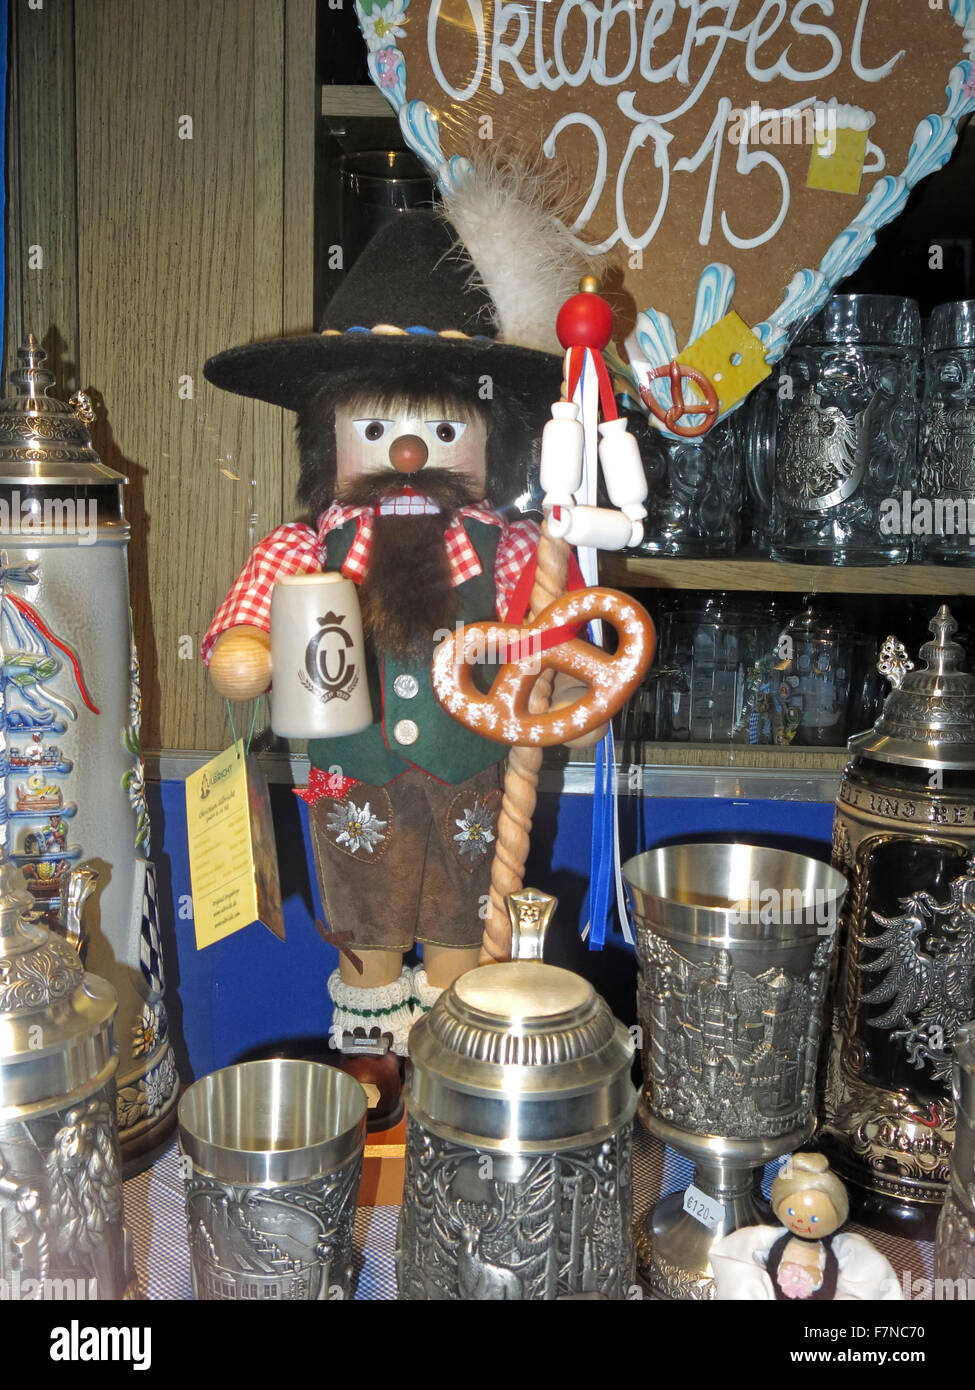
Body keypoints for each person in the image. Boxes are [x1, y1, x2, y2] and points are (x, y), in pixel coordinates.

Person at [202, 207, 590, 1122]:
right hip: (351, 780)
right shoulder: (304, 548)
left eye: (440, 434)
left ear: (491, 449)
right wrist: (246, 656)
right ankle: (372, 1059)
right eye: (376, 434)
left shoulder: (512, 550)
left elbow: (556, 639)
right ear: (329, 445)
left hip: (473, 777)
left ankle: (452, 1053)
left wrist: (566, 673)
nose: (408, 454)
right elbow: (242, 641)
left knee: (463, 919)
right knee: (365, 920)